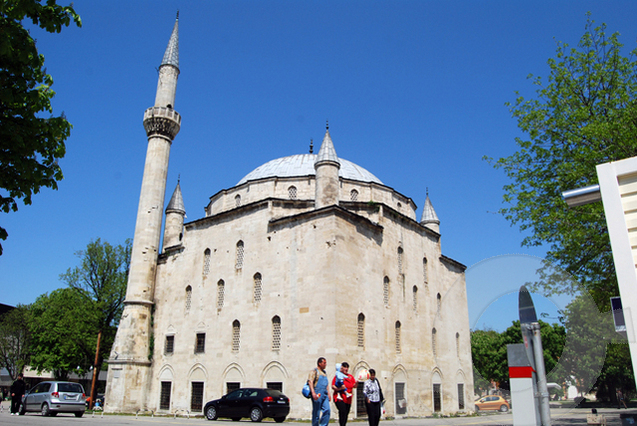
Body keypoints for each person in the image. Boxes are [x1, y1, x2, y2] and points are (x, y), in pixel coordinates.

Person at [332, 362, 356, 426]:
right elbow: (333, 386)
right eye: (344, 367)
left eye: (347, 367)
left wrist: (357, 383)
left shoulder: (350, 376)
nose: (346, 369)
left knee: (346, 414)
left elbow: (354, 385)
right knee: (343, 411)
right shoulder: (338, 375)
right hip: (339, 398)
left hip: (348, 399)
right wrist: (340, 389)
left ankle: (343, 424)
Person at [309, 357, 331, 426]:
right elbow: (310, 381)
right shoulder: (314, 371)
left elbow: (327, 384)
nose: (325, 364)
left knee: (327, 410)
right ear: (319, 363)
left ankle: (323, 424)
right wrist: (313, 393)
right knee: (316, 412)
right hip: (317, 393)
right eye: (324, 363)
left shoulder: (324, 373)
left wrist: (329, 393)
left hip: (325, 394)